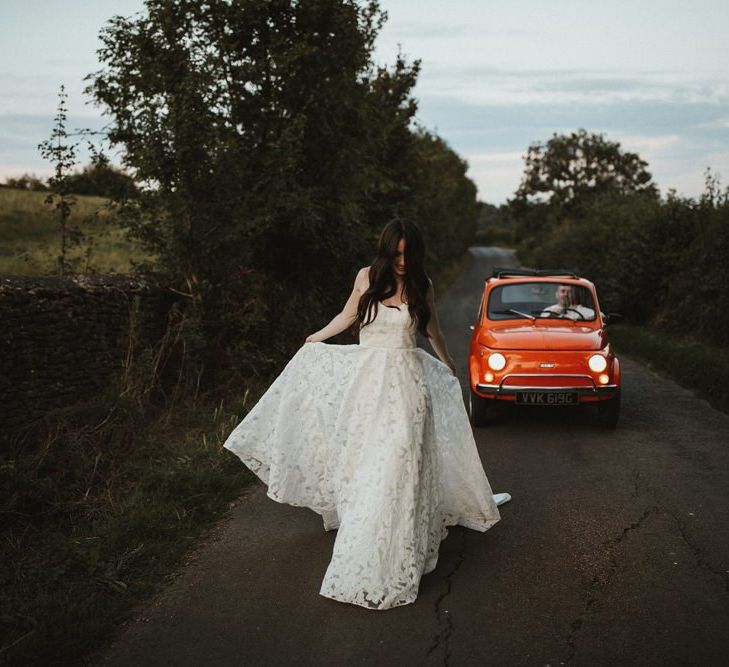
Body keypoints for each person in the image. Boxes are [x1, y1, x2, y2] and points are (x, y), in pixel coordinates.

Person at [223, 219, 510, 610]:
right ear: (386, 251)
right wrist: (316, 337)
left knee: (401, 462)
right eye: (397, 253)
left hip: (409, 387)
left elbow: (433, 333)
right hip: (368, 385)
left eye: (409, 253)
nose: (403, 261)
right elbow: (346, 317)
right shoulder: (366, 277)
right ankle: (367, 530)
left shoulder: (422, 284)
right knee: (370, 462)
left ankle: (402, 542)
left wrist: (448, 364)